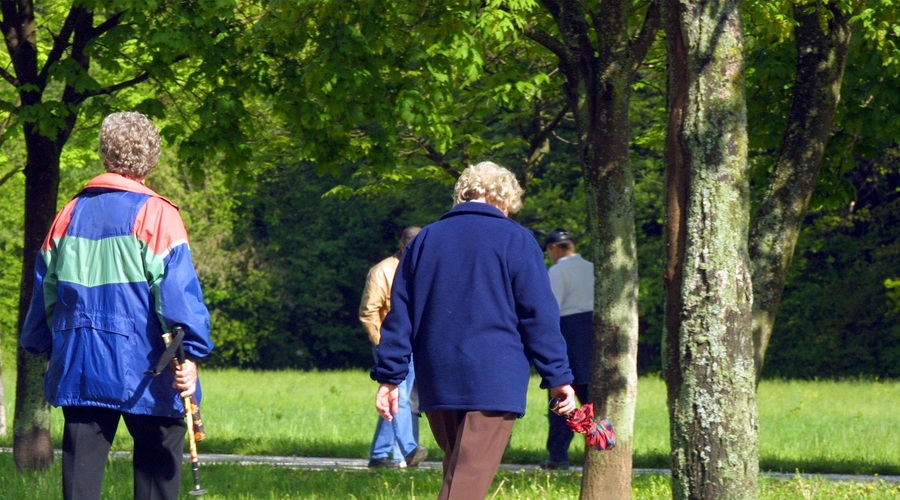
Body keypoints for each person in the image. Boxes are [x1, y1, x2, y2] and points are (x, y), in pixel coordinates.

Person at [20, 111, 214, 500]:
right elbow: (178, 297)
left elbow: (45, 289)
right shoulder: (158, 214)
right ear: (151, 158)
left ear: (105, 154)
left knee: (81, 485)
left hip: (79, 365)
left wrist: (38, 342)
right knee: (158, 478)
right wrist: (191, 352)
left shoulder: (68, 214)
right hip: (149, 368)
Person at [372, 161, 576, 499]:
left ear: (463, 194)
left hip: (438, 375)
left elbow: (400, 313)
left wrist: (390, 377)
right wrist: (558, 377)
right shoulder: (517, 239)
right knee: (466, 483)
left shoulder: (425, 240)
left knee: (459, 472)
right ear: (505, 199)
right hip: (493, 377)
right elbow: (539, 315)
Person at [359, 226, 428, 469]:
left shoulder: (422, 269)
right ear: (402, 246)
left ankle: (379, 456)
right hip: (391, 345)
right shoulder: (382, 271)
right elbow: (369, 313)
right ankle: (408, 451)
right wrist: (384, 346)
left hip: (416, 345)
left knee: (404, 398)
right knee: (398, 398)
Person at [542, 229, 594, 470]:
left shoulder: (557, 271)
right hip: (594, 333)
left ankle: (559, 455)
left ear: (554, 248)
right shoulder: (592, 267)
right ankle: (600, 446)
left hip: (569, 332)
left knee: (562, 393)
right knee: (592, 397)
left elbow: (551, 308)